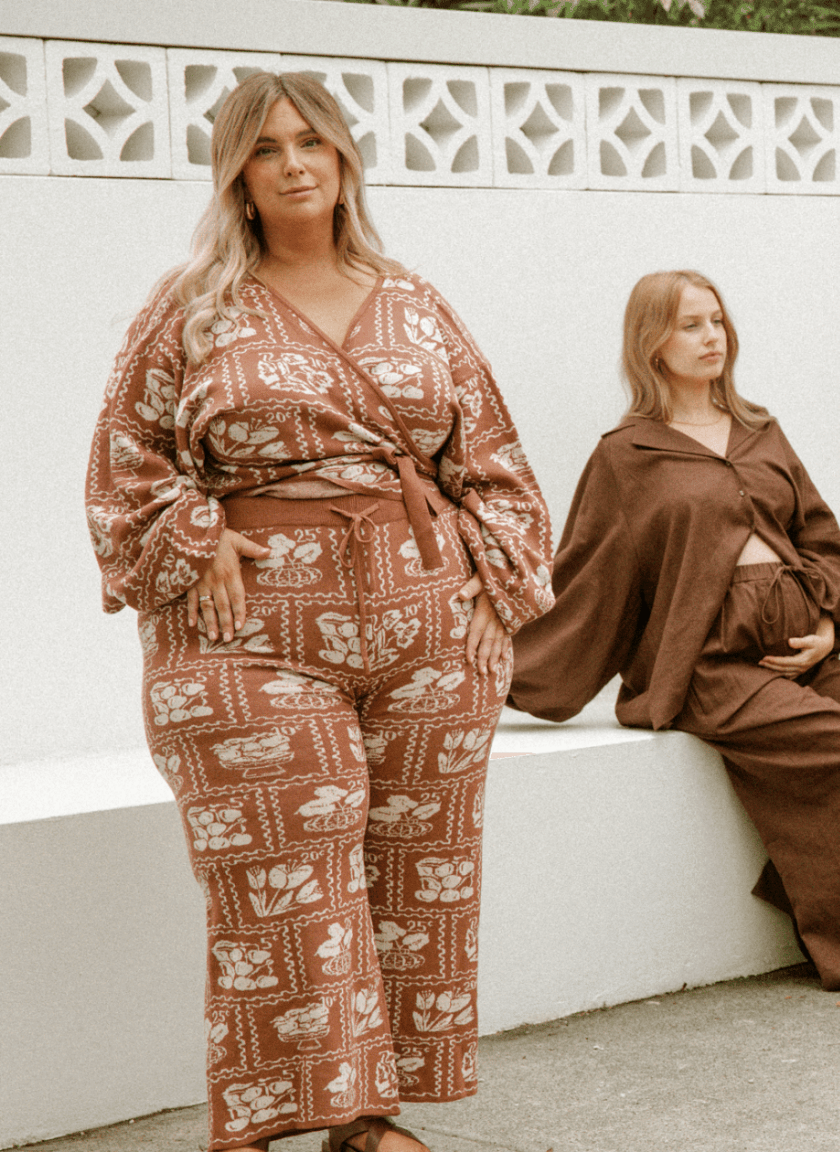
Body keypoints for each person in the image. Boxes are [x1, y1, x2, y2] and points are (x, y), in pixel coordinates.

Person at [84, 73, 553, 1152]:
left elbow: (495, 464)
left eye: (314, 141)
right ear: (235, 176)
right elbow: (122, 461)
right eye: (266, 149)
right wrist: (194, 538)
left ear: (345, 158)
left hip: (424, 625)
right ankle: (247, 1123)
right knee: (281, 880)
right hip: (247, 633)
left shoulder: (415, 300)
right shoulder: (191, 305)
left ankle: (363, 1120)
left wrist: (499, 594)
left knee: (413, 872)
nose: (295, 163)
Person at [507, 270, 840, 997]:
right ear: (651, 344)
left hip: (797, 655)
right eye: (689, 326)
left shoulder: (760, 430)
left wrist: (831, 625)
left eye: (717, 321)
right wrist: (495, 666)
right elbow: (588, 576)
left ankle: (829, 899)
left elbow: (818, 534)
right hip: (710, 670)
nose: (712, 338)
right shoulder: (627, 454)